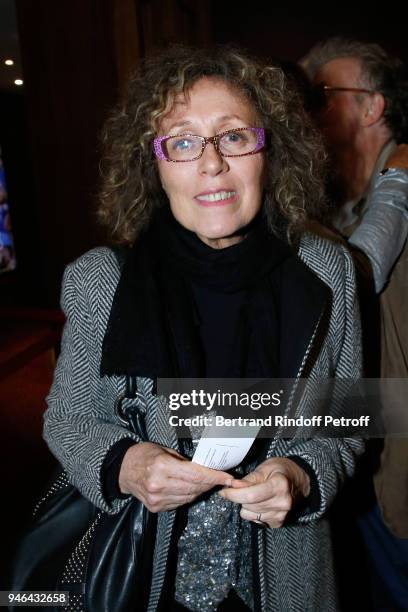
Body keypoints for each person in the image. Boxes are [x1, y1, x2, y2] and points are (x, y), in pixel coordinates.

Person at [44, 46, 363, 611]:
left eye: (234, 136)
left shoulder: (327, 271)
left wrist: (302, 475)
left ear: (270, 152)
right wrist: (127, 465)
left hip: (287, 577)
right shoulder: (99, 280)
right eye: (184, 142)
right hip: (145, 577)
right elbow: (67, 420)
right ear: (154, 164)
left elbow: (347, 421)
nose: (212, 164)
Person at [302, 37, 408, 611]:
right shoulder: (347, 203)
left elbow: (354, 281)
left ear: (373, 106)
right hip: (356, 456)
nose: (308, 110)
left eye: (324, 93)